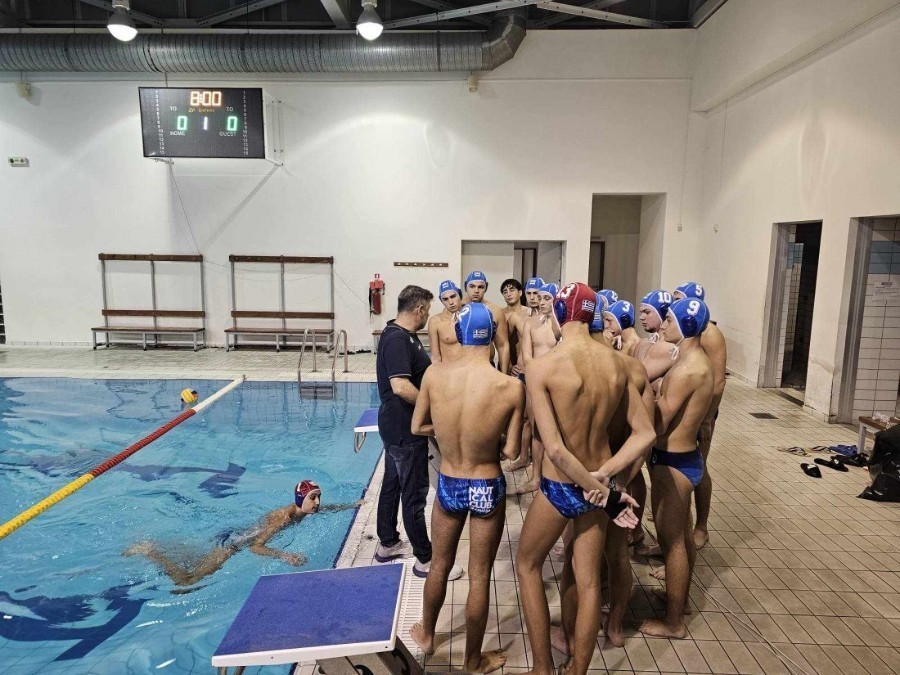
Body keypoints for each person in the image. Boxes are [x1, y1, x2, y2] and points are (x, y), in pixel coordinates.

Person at [516, 282, 654, 675]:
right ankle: (577, 670)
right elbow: (645, 433)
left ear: (559, 314)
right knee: (590, 581)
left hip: (561, 486)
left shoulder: (543, 367)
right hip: (599, 485)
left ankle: (542, 668)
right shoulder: (618, 364)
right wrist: (604, 480)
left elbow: (556, 450)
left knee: (527, 565)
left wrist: (597, 489)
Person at [409, 302, 525, 673]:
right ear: (492, 335)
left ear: (458, 334)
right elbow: (512, 451)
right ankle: (473, 661)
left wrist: (447, 432)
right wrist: (489, 438)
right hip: (487, 483)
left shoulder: (434, 375)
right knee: (479, 575)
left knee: (439, 564)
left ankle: (428, 635)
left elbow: (417, 427)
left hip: (450, 481)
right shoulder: (511, 386)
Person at [374, 285, 462, 580]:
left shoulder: (400, 334)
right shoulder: (398, 339)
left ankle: (387, 543)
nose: (427, 316)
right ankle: (426, 559)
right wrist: (433, 409)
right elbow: (400, 386)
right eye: (427, 310)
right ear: (419, 310)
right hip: (405, 428)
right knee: (414, 495)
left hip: (396, 426)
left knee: (392, 485)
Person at [639, 298, 714, 640]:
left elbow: (660, 421)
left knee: (672, 543)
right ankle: (678, 602)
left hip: (673, 462)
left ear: (685, 325)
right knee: (682, 536)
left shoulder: (686, 370)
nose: (664, 324)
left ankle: (674, 623)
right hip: (686, 458)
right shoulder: (694, 361)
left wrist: (640, 395)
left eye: (669, 319)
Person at [123, 481, 356, 586]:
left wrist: (353, 505)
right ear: (299, 499)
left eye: (319, 497)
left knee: (191, 562)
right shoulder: (283, 519)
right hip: (232, 544)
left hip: (234, 536)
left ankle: (163, 549)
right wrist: (285, 555)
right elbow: (255, 547)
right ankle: (150, 550)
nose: (318, 502)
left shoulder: (302, 511)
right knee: (186, 581)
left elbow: (328, 508)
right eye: (313, 498)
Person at [673, 282, 727, 550]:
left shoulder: (710, 333)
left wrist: (706, 418)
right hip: (685, 404)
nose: (673, 304)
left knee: (698, 467)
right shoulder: (680, 331)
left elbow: (717, 381)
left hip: (702, 411)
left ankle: (701, 527)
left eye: (678, 299)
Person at [514, 282, 559, 495]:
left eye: (547, 298)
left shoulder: (563, 325)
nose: (541, 302)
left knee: (559, 430)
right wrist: (535, 380)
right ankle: (536, 478)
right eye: (540, 298)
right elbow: (526, 355)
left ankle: (555, 476)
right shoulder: (530, 323)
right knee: (537, 429)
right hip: (535, 380)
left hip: (558, 381)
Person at [507, 277, 544, 472]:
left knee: (535, 420)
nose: (532, 297)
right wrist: (510, 365)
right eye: (529, 293)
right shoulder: (518, 317)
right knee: (522, 418)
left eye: (536, 293)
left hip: (538, 375)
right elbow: (503, 343)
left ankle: (537, 464)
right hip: (521, 372)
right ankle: (523, 457)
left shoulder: (549, 320)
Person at [463, 271, 511, 374]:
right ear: (465, 286)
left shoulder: (496, 311)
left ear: (486, 287)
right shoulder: (458, 310)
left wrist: (504, 374)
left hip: (487, 366)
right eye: (472, 286)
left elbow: (503, 346)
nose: (476, 291)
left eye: (481, 287)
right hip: (463, 366)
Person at [634, 290, 678, 390]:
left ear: (663, 313)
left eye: (647, 312)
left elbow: (636, 379)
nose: (641, 317)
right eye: (641, 312)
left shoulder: (667, 346)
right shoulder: (645, 342)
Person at [428, 280, 463, 363]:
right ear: (441, 301)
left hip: (469, 368)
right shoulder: (435, 322)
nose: (451, 302)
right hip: (449, 368)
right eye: (445, 299)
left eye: (453, 296)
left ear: (460, 295)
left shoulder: (472, 317)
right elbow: (435, 358)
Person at [501, 278, 528, 372]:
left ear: (520, 293)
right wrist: (509, 366)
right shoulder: (500, 314)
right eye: (505, 292)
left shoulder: (529, 313)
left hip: (526, 365)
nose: (508, 294)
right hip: (507, 364)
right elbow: (500, 344)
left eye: (512, 290)